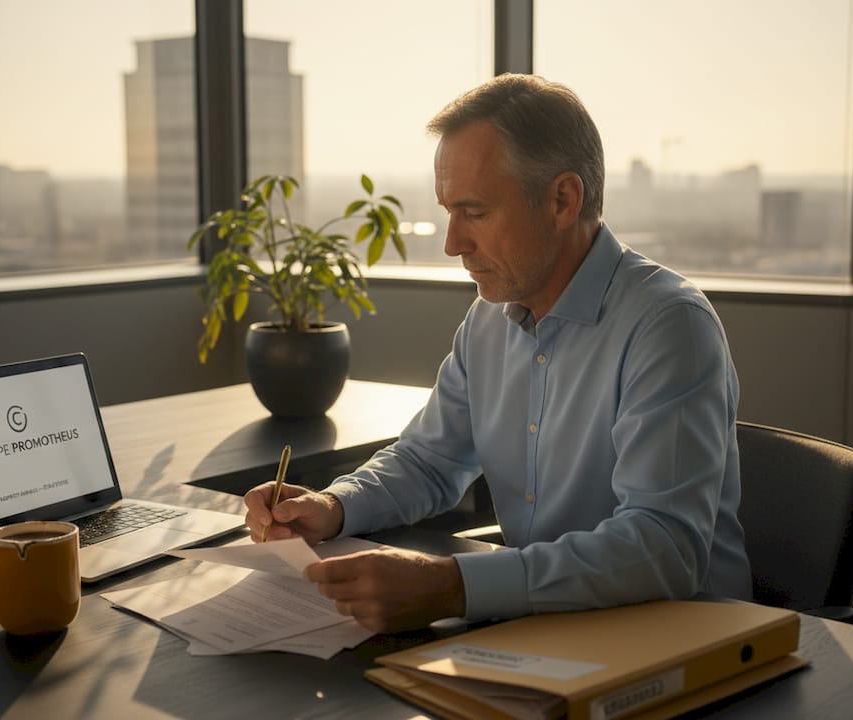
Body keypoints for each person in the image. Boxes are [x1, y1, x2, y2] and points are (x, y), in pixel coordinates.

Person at [244, 73, 751, 633]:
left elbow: (662, 548)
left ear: (563, 200)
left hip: (679, 639)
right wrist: (334, 506)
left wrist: (452, 586)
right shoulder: (489, 316)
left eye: (476, 212)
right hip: (542, 627)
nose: (452, 243)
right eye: (448, 212)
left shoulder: (667, 325)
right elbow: (428, 460)